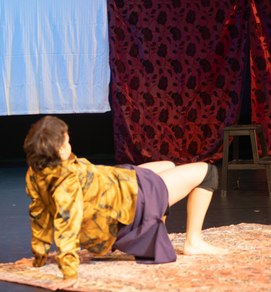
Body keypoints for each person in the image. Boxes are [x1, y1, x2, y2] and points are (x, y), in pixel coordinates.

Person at [20, 116, 226, 289]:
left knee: (169, 165)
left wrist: (39, 258)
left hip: (114, 183)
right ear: (60, 151)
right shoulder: (67, 184)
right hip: (129, 203)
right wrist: (69, 274)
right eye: (67, 142)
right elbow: (67, 227)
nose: (70, 145)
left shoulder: (36, 173)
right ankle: (192, 242)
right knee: (208, 172)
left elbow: (39, 215)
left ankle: (158, 217)